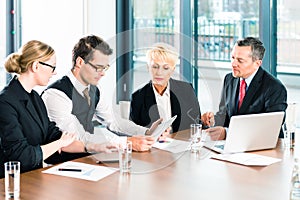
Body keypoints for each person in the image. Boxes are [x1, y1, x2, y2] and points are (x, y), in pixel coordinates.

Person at [0, 40, 116, 178]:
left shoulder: (35, 97)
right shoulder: (5, 102)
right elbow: (22, 156)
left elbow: (53, 136)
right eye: (52, 67)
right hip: (11, 183)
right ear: (36, 66)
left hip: (33, 177)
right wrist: (59, 143)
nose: (54, 73)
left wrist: (92, 147)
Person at [42, 35, 162, 152]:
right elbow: (75, 137)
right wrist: (126, 142)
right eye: (98, 67)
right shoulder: (56, 95)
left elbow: (113, 122)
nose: (103, 73)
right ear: (80, 62)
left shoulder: (95, 89)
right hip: (61, 164)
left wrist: (146, 132)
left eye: (105, 68)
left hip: (89, 158)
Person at [201, 37, 287, 140]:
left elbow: (270, 128)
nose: (233, 64)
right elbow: (225, 116)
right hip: (234, 147)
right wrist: (211, 120)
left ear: (257, 64)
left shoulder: (275, 88)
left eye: (240, 60)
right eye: (232, 58)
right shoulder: (229, 79)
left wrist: (228, 133)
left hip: (265, 148)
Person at [129, 43, 201, 133]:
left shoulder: (186, 90)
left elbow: (197, 123)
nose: (159, 72)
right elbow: (134, 132)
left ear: (173, 69)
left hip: (182, 144)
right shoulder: (138, 97)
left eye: (166, 68)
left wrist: (206, 122)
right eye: (155, 67)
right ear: (148, 67)